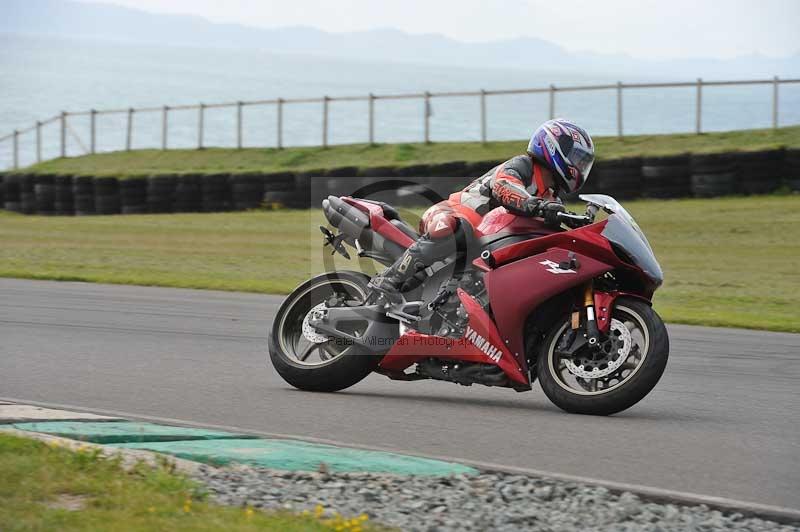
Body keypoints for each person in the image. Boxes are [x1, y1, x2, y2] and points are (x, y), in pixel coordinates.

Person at [368, 118, 596, 298]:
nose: (579, 166)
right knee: (455, 229)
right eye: (577, 158)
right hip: (451, 214)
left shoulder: (550, 197)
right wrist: (536, 206)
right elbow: (504, 186)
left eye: (583, 162)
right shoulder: (524, 166)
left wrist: (573, 222)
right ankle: (390, 278)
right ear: (553, 146)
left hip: (485, 243)